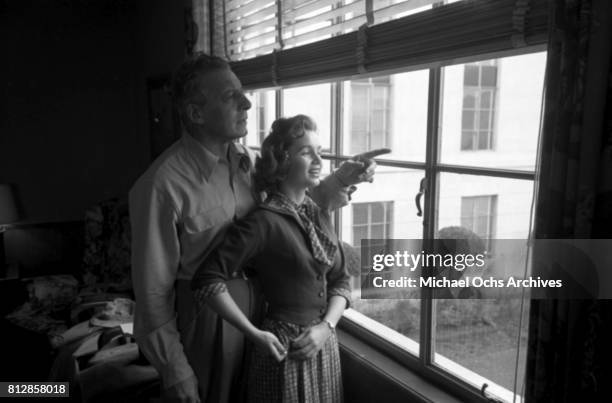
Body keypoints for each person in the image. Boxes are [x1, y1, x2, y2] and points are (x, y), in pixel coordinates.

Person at [129, 53, 385, 402]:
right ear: (195, 113)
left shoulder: (247, 162)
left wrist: (340, 179)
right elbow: (152, 295)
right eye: (229, 96)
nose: (247, 102)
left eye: (243, 92)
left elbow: (288, 216)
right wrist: (175, 371)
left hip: (268, 319)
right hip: (210, 324)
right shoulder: (161, 185)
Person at [191, 114, 350, 402]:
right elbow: (206, 278)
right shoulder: (263, 222)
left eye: (320, 152)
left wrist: (326, 328)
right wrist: (254, 333)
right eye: (306, 152)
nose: (318, 160)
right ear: (282, 160)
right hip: (284, 349)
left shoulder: (317, 215)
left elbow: (341, 281)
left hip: (324, 347)